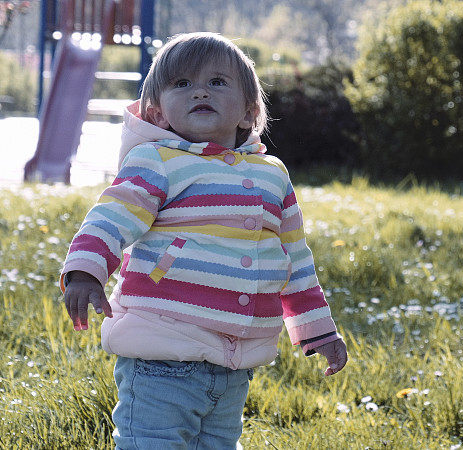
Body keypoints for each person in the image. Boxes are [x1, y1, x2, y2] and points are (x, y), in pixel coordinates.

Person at [60, 32, 347, 449]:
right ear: (157, 113)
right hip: (161, 351)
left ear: (250, 112)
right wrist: (85, 272)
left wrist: (317, 330)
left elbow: (295, 262)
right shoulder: (158, 161)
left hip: (234, 365)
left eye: (217, 82)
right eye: (181, 84)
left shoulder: (272, 175)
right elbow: (110, 218)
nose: (199, 91)